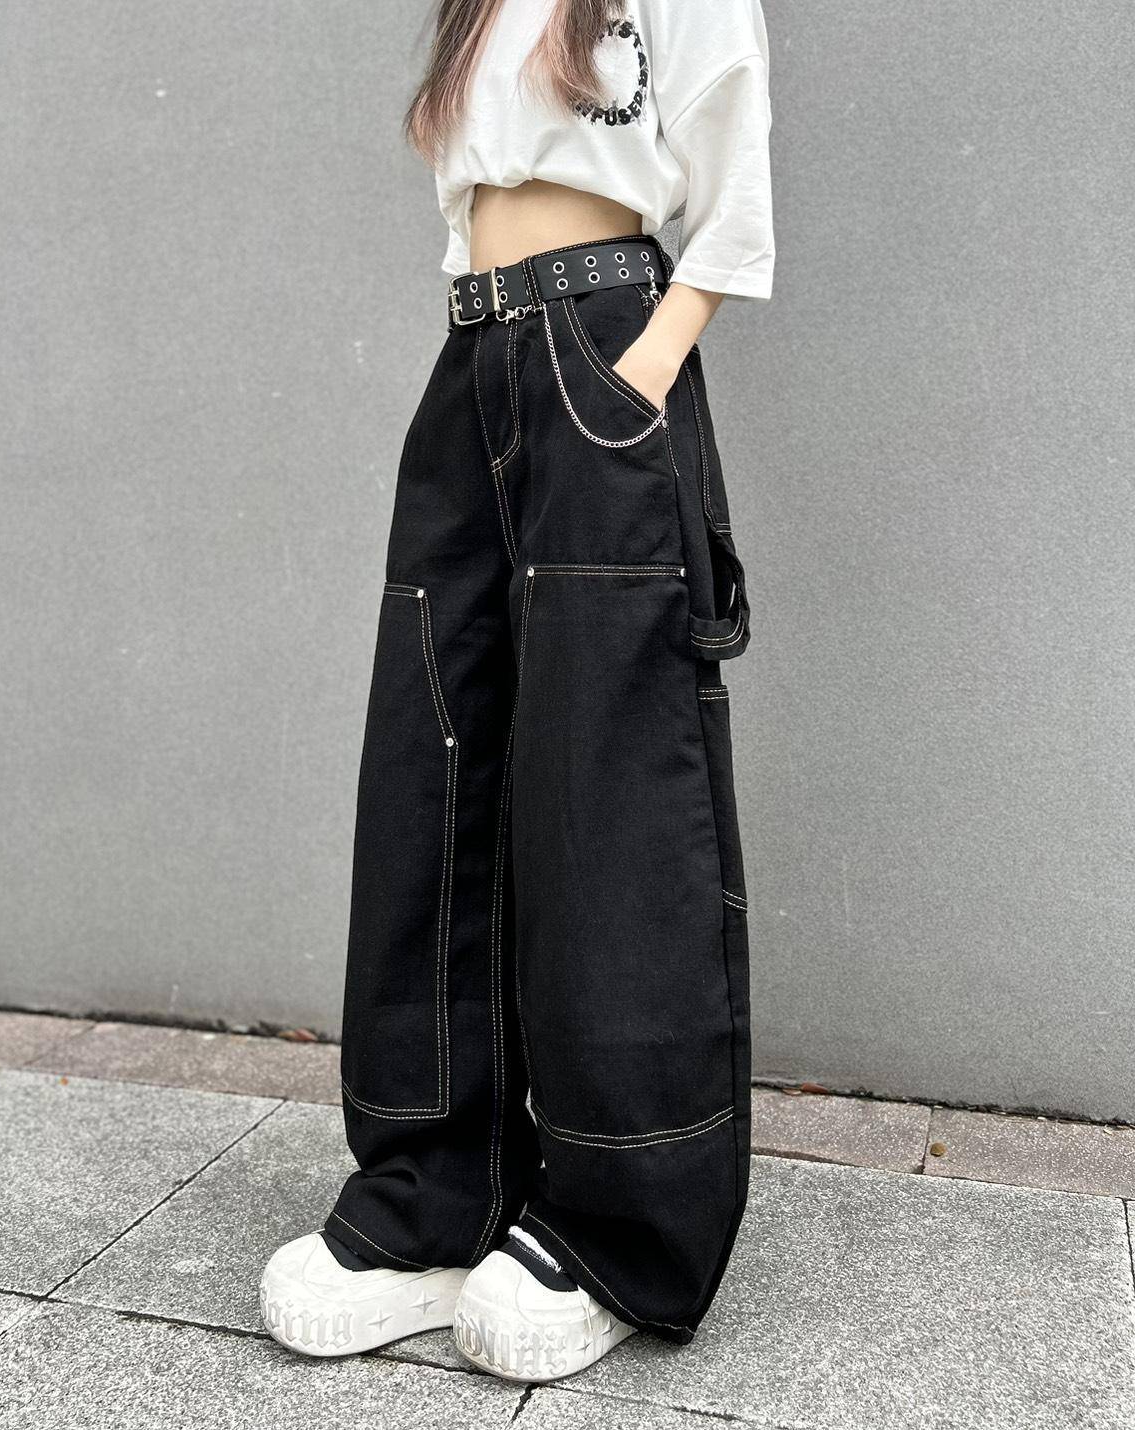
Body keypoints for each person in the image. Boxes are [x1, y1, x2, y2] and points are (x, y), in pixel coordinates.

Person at [260, 0, 774, 1384]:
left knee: (607, 784)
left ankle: (620, 1219)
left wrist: (640, 374)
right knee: (434, 762)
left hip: (604, 355)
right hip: (476, 359)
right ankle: (438, 1193)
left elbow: (734, 197)